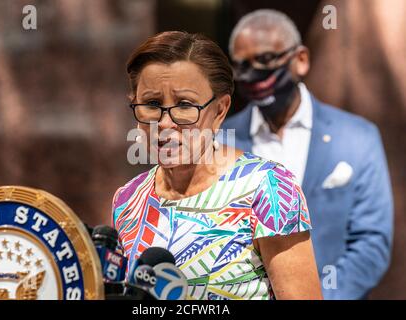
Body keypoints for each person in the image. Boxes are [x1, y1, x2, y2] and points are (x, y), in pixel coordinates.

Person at [111, 30, 322, 300]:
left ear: (220, 110)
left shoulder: (269, 187)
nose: (164, 123)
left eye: (185, 105)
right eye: (152, 104)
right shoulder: (127, 199)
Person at [222, 9, 393, 299]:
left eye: (265, 60)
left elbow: (371, 242)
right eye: (242, 66)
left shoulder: (357, 137)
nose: (254, 74)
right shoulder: (220, 141)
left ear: (300, 59)